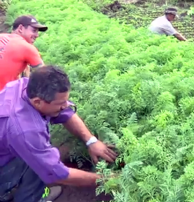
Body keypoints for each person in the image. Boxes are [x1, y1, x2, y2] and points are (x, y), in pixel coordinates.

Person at [0, 65, 118, 202]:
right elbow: (56, 173)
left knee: (40, 155)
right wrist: (106, 180)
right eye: (60, 103)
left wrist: (91, 141)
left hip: (8, 145)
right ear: (38, 102)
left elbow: (65, 112)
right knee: (41, 166)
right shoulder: (26, 131)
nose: (65, 106)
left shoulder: (25, 86)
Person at [0, 15, 47, 91]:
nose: (37, 35)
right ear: (21, 28)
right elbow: (46, 76)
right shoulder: (27, 47)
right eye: (34, 30)